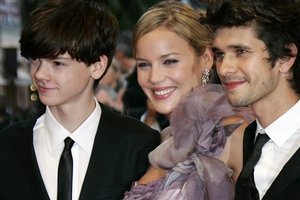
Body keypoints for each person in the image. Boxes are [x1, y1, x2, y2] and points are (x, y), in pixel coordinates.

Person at [0, 0, 160, 199]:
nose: (40, 74)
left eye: (58, 63)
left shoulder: (139, 146)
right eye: (35, 61)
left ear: (97, 66)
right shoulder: (7, 146)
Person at [123, 1, 254, 199]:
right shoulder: (166, 141)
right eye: (144, 64)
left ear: (207, 59)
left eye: (170, 61)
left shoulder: (234, 134)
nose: (154, 77)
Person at [207, 0, 300, 199]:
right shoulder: (249, 139)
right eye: (220, 54)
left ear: (285, 58)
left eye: (241, 52)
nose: (223, 68)